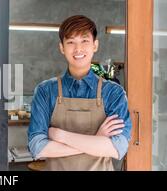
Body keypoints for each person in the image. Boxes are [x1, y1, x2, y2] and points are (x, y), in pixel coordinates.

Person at [27, 15, 132, 171]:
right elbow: (37, 147)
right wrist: (97, 140)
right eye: (70, 42)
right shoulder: (46, 91)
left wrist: (60, 136)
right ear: (62, 47)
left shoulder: (113, 93)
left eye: (84, 41)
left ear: (95, 45)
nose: (78, 49)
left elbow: (117, 148)